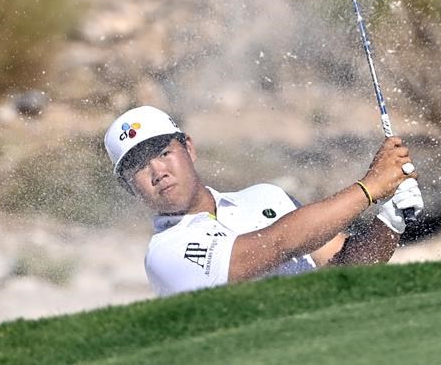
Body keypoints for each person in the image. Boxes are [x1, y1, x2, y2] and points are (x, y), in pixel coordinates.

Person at [104, 105, 424, 297]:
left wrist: (389, 220)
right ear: (130, 188)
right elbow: (277, 244)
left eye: (163, 153)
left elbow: (349, 268)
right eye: (139, 167)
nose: (157, 171)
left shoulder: (266, 197)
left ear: (189, 148)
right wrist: (370, 187)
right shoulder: (165, 255)